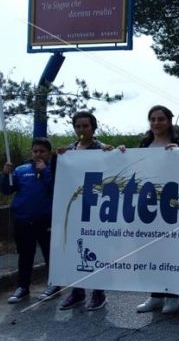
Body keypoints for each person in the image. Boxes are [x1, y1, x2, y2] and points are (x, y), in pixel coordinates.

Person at [119, 105, 179, 314]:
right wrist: (120, 153)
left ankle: (173, 297)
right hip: (146, 206)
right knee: (149, 252)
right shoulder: (145, 144)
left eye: (161, 119)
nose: (156, 123)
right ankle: (155, 296)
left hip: (170, 207)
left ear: (169, 121)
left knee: (170, 253)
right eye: (153, 119)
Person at [58, 111, 114, 311]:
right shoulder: (69, 151)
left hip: (96, 207)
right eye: (78, 126)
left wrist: (114, 154)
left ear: (93, 128)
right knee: (75, 250)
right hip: (74, 209)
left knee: (96, 248)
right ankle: (77, 291)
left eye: (86, 126)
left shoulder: (102, 149)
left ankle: (99, 292)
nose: (82, 130)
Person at [1, 137, 61, 303]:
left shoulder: (55, 170)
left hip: (46, 220)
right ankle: (23, 287)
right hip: (22, 220)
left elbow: (57, 190)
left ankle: (54, 285)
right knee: (25, 255)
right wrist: (6, 175)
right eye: (35, 151)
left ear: (49, 153)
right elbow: (6, 190)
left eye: (42, 151)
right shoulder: (21, 170)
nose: (38, 154)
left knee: (50, 254)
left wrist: (45, 171)